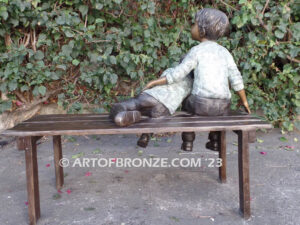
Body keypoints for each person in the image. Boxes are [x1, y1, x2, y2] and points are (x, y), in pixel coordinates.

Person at [143, 8, 251, 151]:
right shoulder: (225, 53)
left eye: (194, 24)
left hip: (201, 104)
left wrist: (155, 82)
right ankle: (215, 142)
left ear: (202, 31)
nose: (191, 27)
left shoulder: (197, 51)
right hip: (223, 105)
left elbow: (178, 74)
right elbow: (236, 80)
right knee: (218, 115)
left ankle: (188, 142)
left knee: (187, 104)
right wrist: (244, 101)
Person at [109, 56, 193, 148]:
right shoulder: (192, 84)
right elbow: (186, 103)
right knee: (153, 117)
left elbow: (162, 81)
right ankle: (145, 136)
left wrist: (151, 84)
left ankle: (120, 115)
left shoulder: (172, 71)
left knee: (128, 105)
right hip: (165, 107)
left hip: (152, 96)